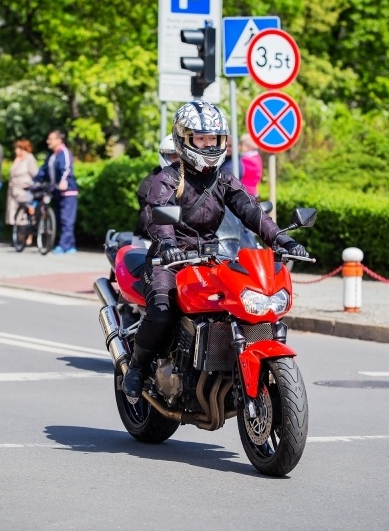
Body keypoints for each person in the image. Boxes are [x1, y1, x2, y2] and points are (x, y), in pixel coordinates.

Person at [122, 101, 308, 398]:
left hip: (212, 256)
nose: (208, 144)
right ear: (185, 139)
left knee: (240, 304)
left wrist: (282, 239)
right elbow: (158, 215)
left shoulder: (223, 178)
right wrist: (167, 244)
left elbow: (251, 210)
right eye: (201, 138)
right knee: (161, 309)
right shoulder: (168, 179)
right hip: (170, 260)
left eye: (214, 138)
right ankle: (138, 367)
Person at [33, 130, 79, 254]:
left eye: (51, 139)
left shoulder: (64, 153)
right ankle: (70, 245)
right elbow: (43, 170)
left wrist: (64, 181)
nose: (48, 141)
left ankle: (64, 246)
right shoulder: (52, 156)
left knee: (66, 220)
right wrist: (34, 181)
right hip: (57, 192)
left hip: (67, 192)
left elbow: (67, 168)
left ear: (59, 140)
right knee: (60, 219)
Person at [134, 134, 179, 237]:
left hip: (184, 240)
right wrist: (163, 237)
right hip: (150, 239)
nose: (179, 161)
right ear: (165, 156)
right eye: (174, 156)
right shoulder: (150, 184)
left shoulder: (192, 179)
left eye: (182, 157)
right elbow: (148, 216)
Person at [5, 138, 39, 227]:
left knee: (25, 215)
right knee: (15, 215)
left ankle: (27, 236)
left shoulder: (29, 158)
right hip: (14, 190)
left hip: (24, 190)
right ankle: (17, 236)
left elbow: (35, 174)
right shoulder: (17, 159)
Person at [239, 133, 263, 198]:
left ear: (249, 146)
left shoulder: (250, 160)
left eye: (241, 144)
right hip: (248, 193)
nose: (239, 147)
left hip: (247, 194)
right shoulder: (255, 157)